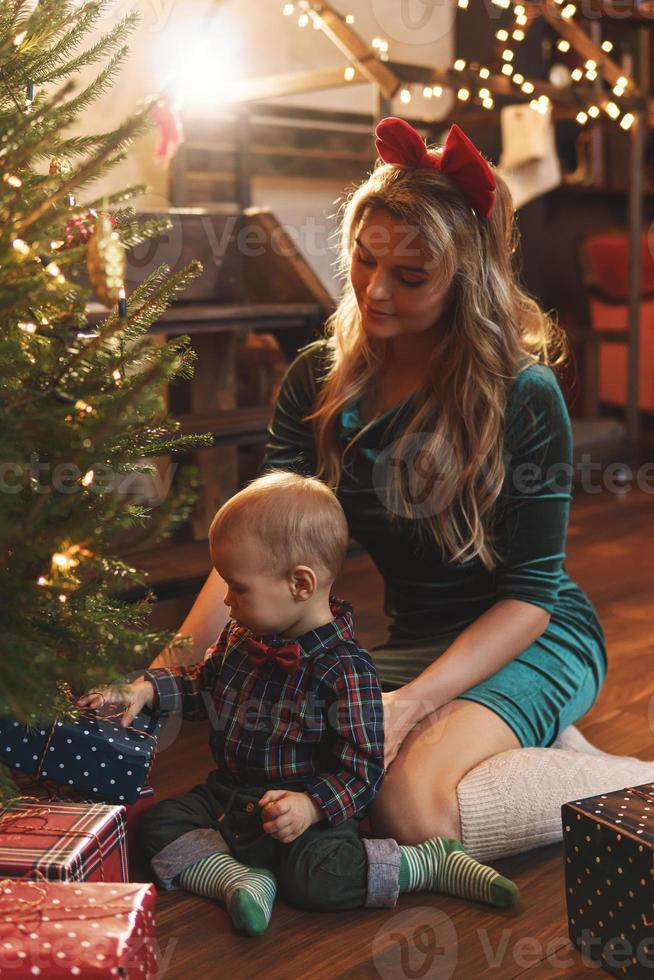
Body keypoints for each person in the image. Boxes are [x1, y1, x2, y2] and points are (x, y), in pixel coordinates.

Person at [149, 117, 654, 865]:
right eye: (363, 260)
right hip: (419, 637)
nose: (376, 291)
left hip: (536, 634)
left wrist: (414, 705)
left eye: (411, 277)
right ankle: (510, 734)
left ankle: (629, 783)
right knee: (284, 752)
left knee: (410, 810)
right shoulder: (319, 382)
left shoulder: (525, 394)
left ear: (467, 278)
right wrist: (160, 678)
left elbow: (532, 596)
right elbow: (250, 548)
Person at [78, 471, 519, 936]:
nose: (226, 599)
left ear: (300, 584)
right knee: (157, 825)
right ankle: (238, 879)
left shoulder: (347, 670)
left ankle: (425, 863)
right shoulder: (242, 635)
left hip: (306, 812)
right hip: (231, 793)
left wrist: (311, 805)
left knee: (319, 880)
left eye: (238, 587)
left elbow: (363, 766)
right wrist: (146, 688)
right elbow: (203, 684)